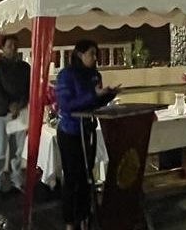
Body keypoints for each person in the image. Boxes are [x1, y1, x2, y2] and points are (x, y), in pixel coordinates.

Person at [55, 40, 121, 230]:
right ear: (79, 54)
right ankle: (69, 221)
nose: (94, 57)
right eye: (91, 53)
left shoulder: (94, 74)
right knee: (72, 177)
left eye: (95, 54)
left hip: (88, 131)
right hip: (70, 132)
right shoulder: (66, 75)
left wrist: (107, 95)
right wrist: (94, 94)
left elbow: (94, 104)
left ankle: (84, 216)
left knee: (86, 176)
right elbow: (66, 105)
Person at [0, 34, 31, 196]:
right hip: (0, 114)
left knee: (17, 151)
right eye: (9, 45)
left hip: (19, 112)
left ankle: (16, 180)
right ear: (3, 48)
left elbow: (28, 89)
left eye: (15, 45)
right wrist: (9, 105)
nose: (13, 48)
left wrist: (20, 104)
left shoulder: (25, 68)